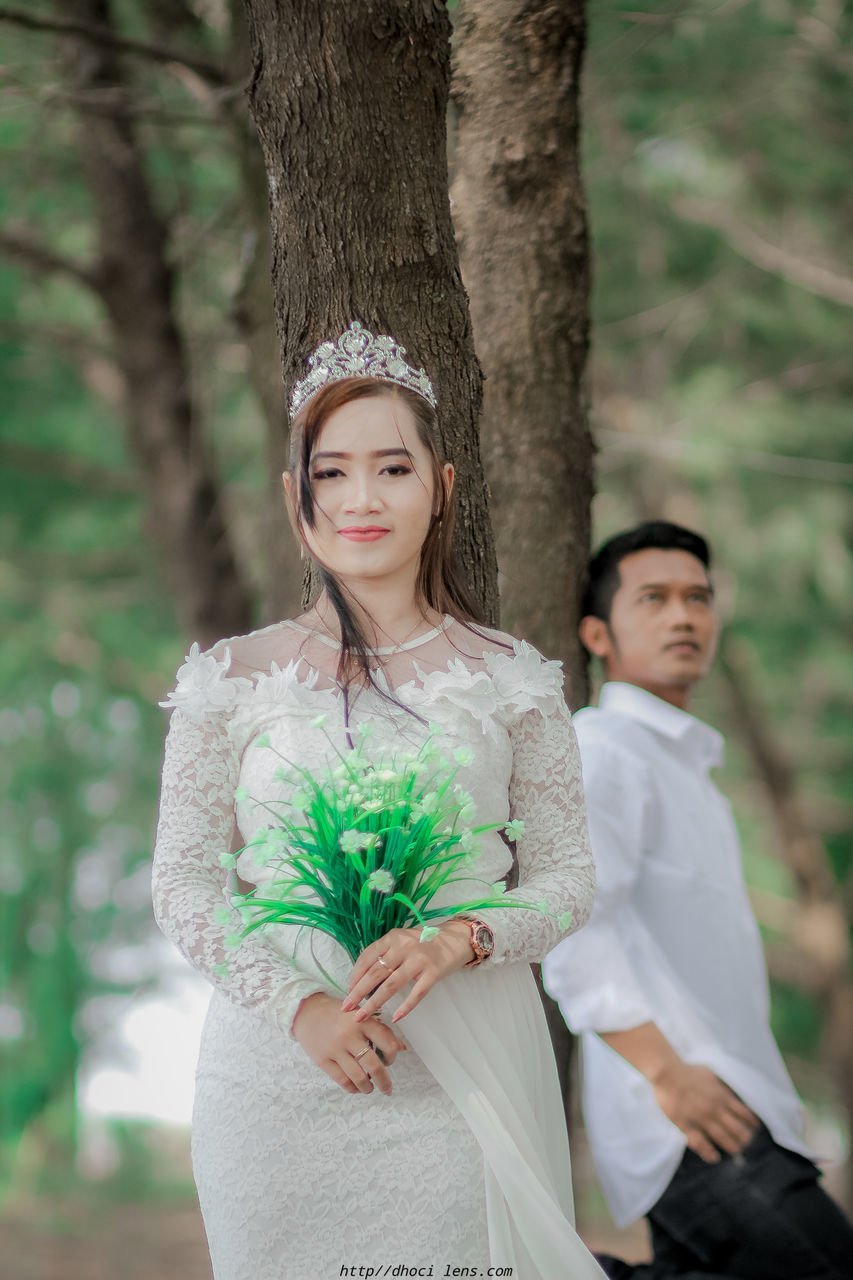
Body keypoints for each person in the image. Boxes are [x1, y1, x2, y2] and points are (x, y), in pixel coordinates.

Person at [152, 320, 606, 1280]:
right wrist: (299, 1008)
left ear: (441, 491)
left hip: (456, 1067)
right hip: (275, 1075)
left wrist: (462, 936)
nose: (360, 499)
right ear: (294, 497)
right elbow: (183, 887)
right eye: (330, 473)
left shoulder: (514, 680)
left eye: (392, 469)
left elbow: (567, 879)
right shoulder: (227, 678)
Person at [543, 521, 853, 1279]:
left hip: (732, 1104)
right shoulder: (605, 749)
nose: (682, 616)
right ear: (598, 633)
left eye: (697, 598)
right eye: (652, 599)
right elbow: (571, 926)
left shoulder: (687, 766)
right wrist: (666, 1074)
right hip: (685, 1113)